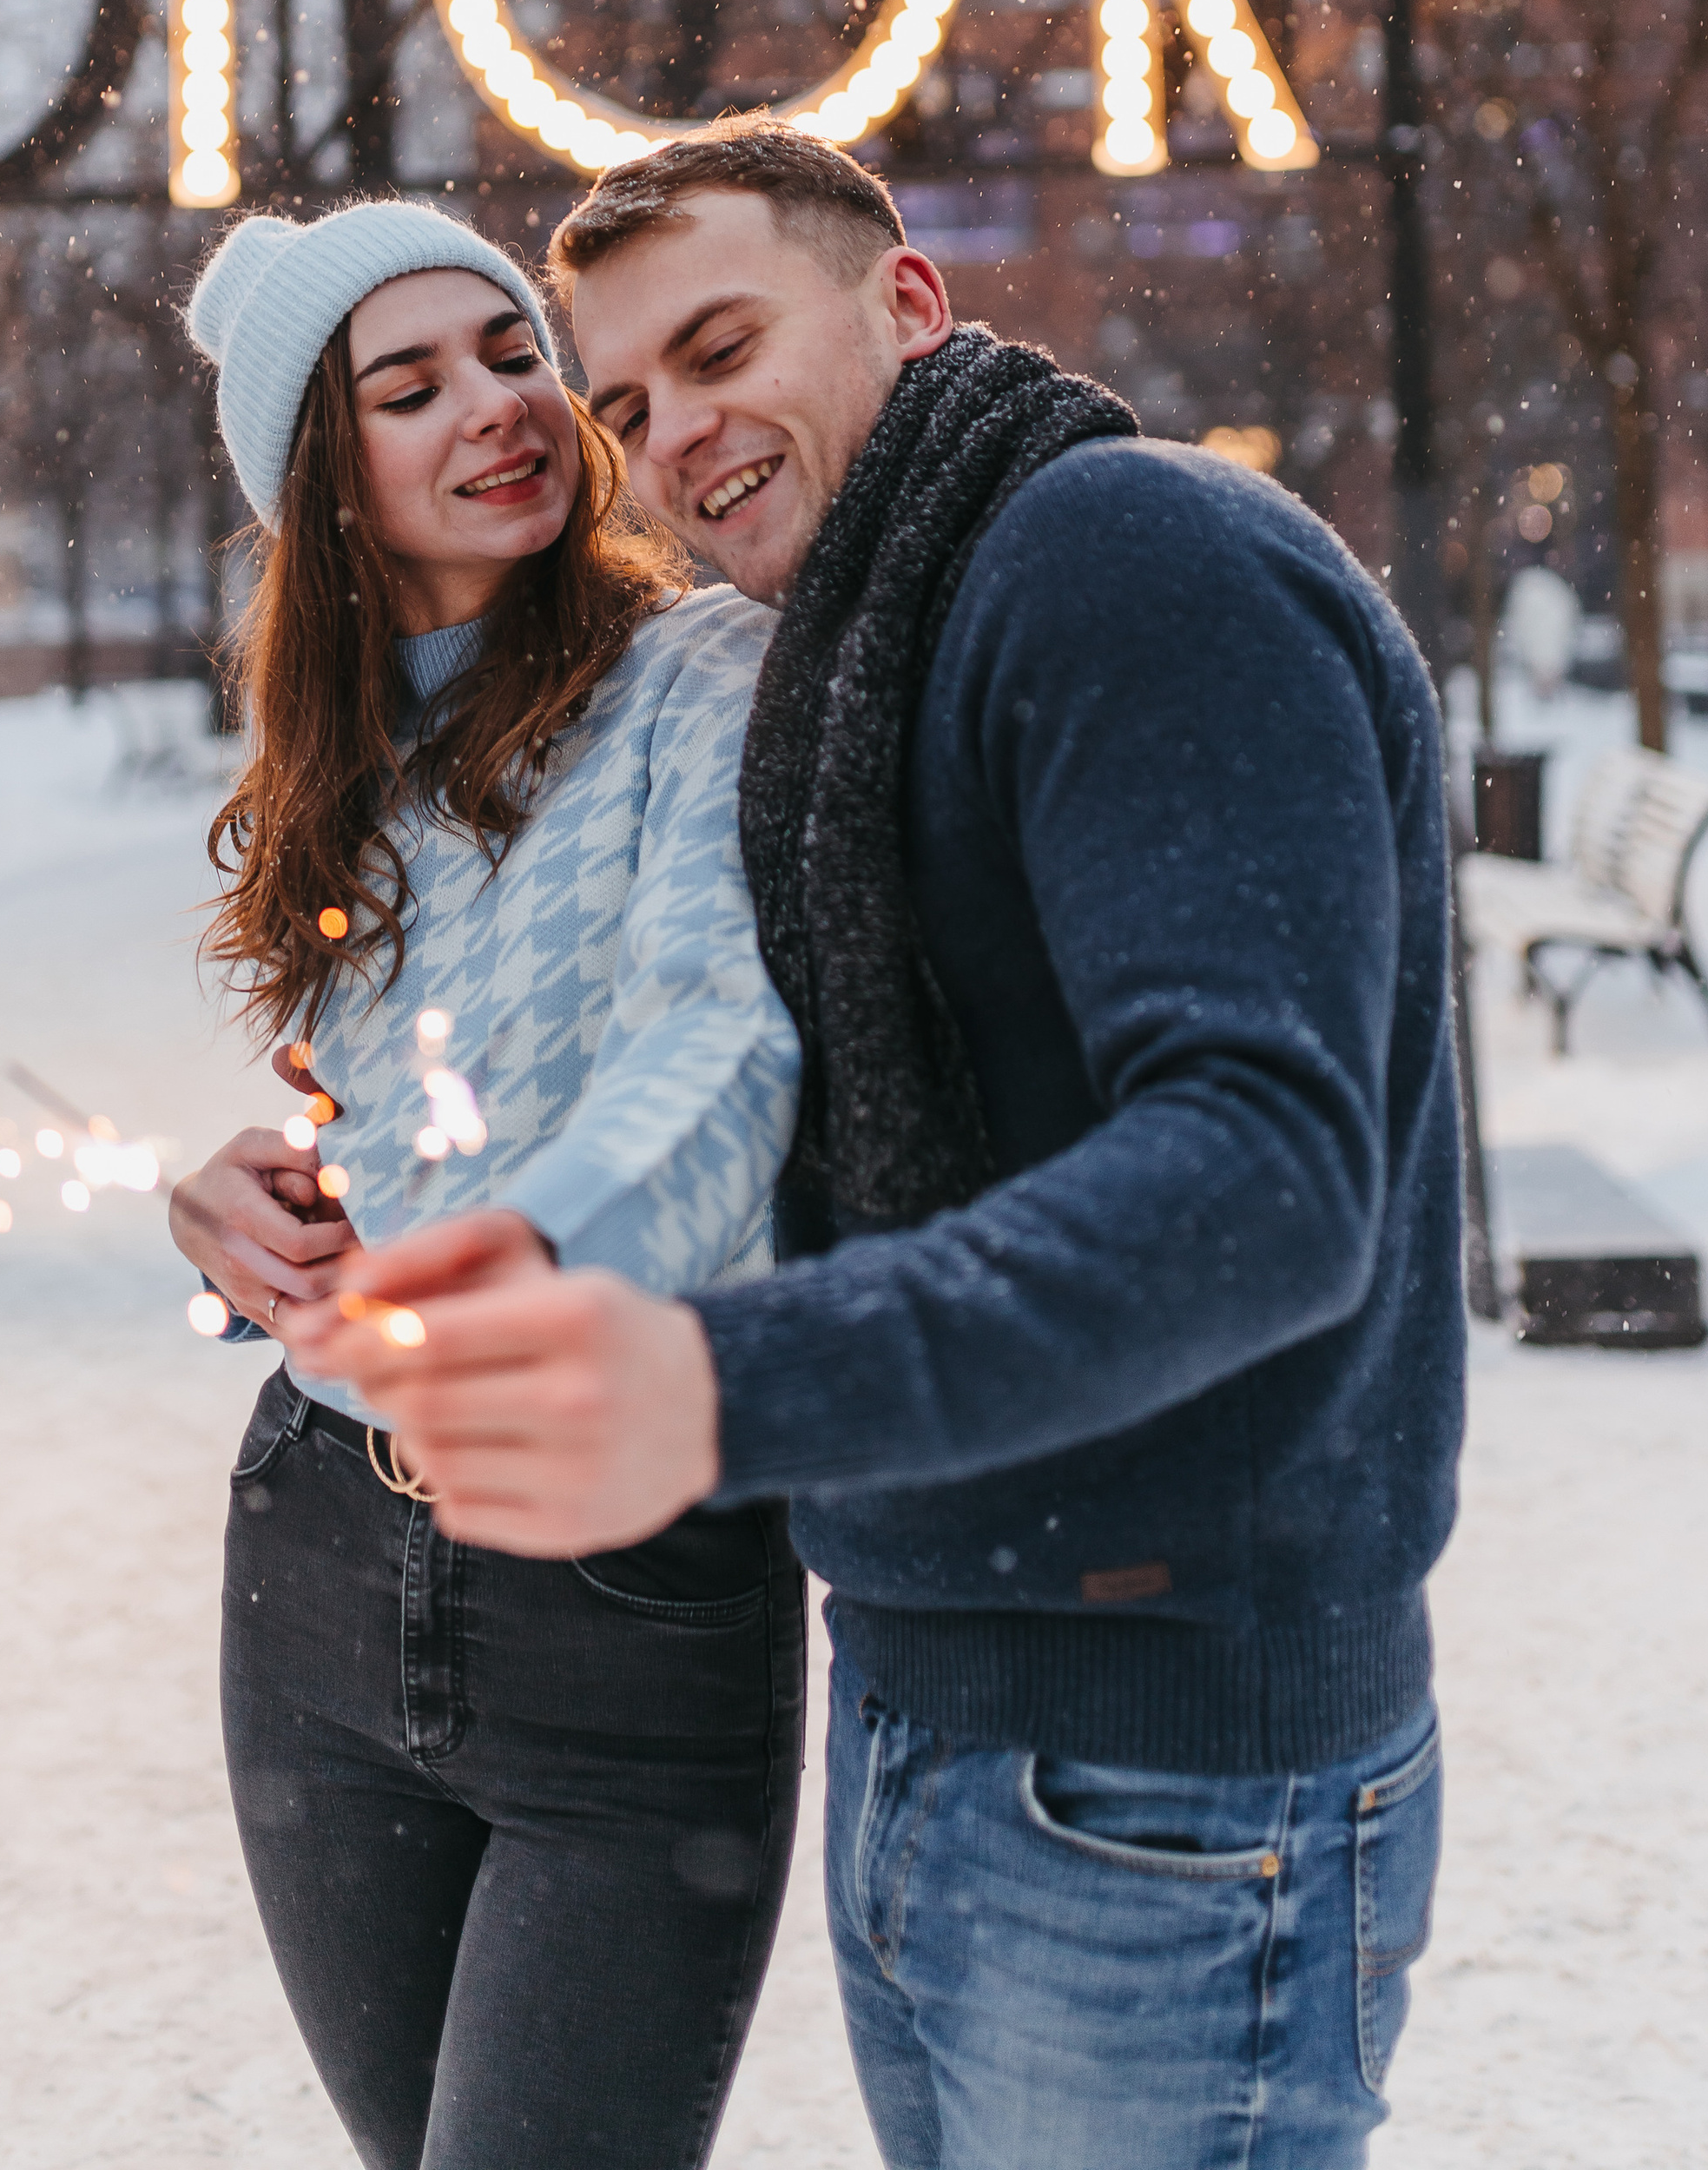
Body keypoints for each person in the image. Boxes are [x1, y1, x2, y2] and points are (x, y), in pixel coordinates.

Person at [297, 124, 1467, 2170]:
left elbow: (1269, 1179)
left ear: (906, 302)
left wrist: (728, 1375)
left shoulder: (1125, 558)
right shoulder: (869, 647)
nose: (672, 437)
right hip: (947, 1700)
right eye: (631, 403)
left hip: (1168, 1774)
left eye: (722, 343)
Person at [167, 196, 805, 2170]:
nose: (499, 404)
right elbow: (390, 1123)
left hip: (623, 1590)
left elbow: (726, 1047)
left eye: (512, 350)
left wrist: (518, 1258)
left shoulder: (701, 674)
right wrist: (237, 1221)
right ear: (323, 479)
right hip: (316, 1568)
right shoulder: (336, 770)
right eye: (411, 383)